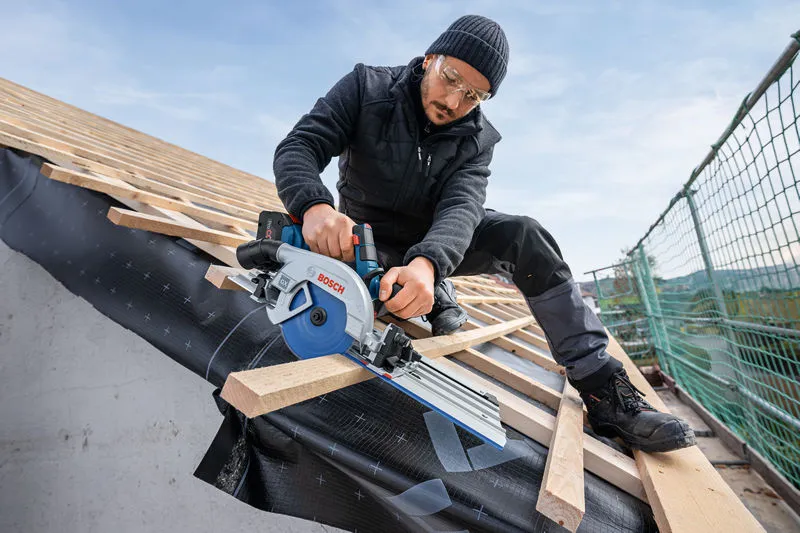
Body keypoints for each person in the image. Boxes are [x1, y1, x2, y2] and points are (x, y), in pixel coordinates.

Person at [273, 15, 695, 453]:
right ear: (430, 58)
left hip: (431, 244)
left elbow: (463, 207)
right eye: (450, 78)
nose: (455, 101)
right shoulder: (366, 88)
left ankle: (602, 390)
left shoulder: (479, 139)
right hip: (366, 242)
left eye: (473, 95)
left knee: (525, 235)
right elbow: (299, 145)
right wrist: (314, 207)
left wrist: (429, 263)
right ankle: (434, 290)